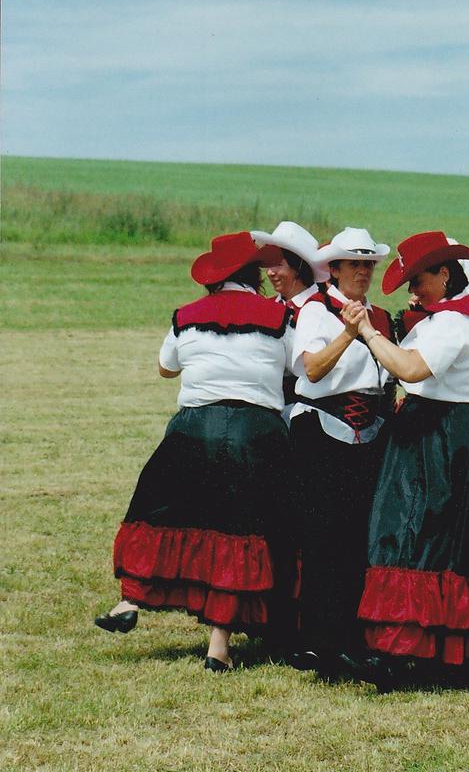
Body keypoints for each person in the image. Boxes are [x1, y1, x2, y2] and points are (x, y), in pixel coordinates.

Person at [94, 231, 296, 671]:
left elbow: (166, 368)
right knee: (238, 531)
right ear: (252, 277)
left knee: (159, 511)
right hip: (254, 431)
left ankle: (129, 601)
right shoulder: (279, 318)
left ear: (212, 281)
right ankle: (218, 647)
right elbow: (296, 368)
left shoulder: (186, 316)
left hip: (193, 428)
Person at [350, 231, 469, 678]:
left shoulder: (456, 324)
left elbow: (410, 368)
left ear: (445, 274)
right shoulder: (445, 319)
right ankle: (412, 646)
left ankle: (413, 651)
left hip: (445, 436)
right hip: (439, 430)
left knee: (425, 537)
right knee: (423, 537)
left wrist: (366, 331)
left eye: (418, 279)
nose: (412, 290)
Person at [289, 227, 394, 676]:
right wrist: (350, 334)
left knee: (357, 537)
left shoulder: (384, 318)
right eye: (355, 264)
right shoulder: (316, 310)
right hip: (321, 428)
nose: (363, 273)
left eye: (369, 265)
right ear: (333, 268)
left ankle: (351, 635)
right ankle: (315, 640)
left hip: (369, 431)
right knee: (321, 535)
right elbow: (311, 369)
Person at [257, 221, 331, 419]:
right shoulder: (265, 306)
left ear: (298, 266)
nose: (270, 272)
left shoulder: (325, 307)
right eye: (268, 265)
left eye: (278, 265)